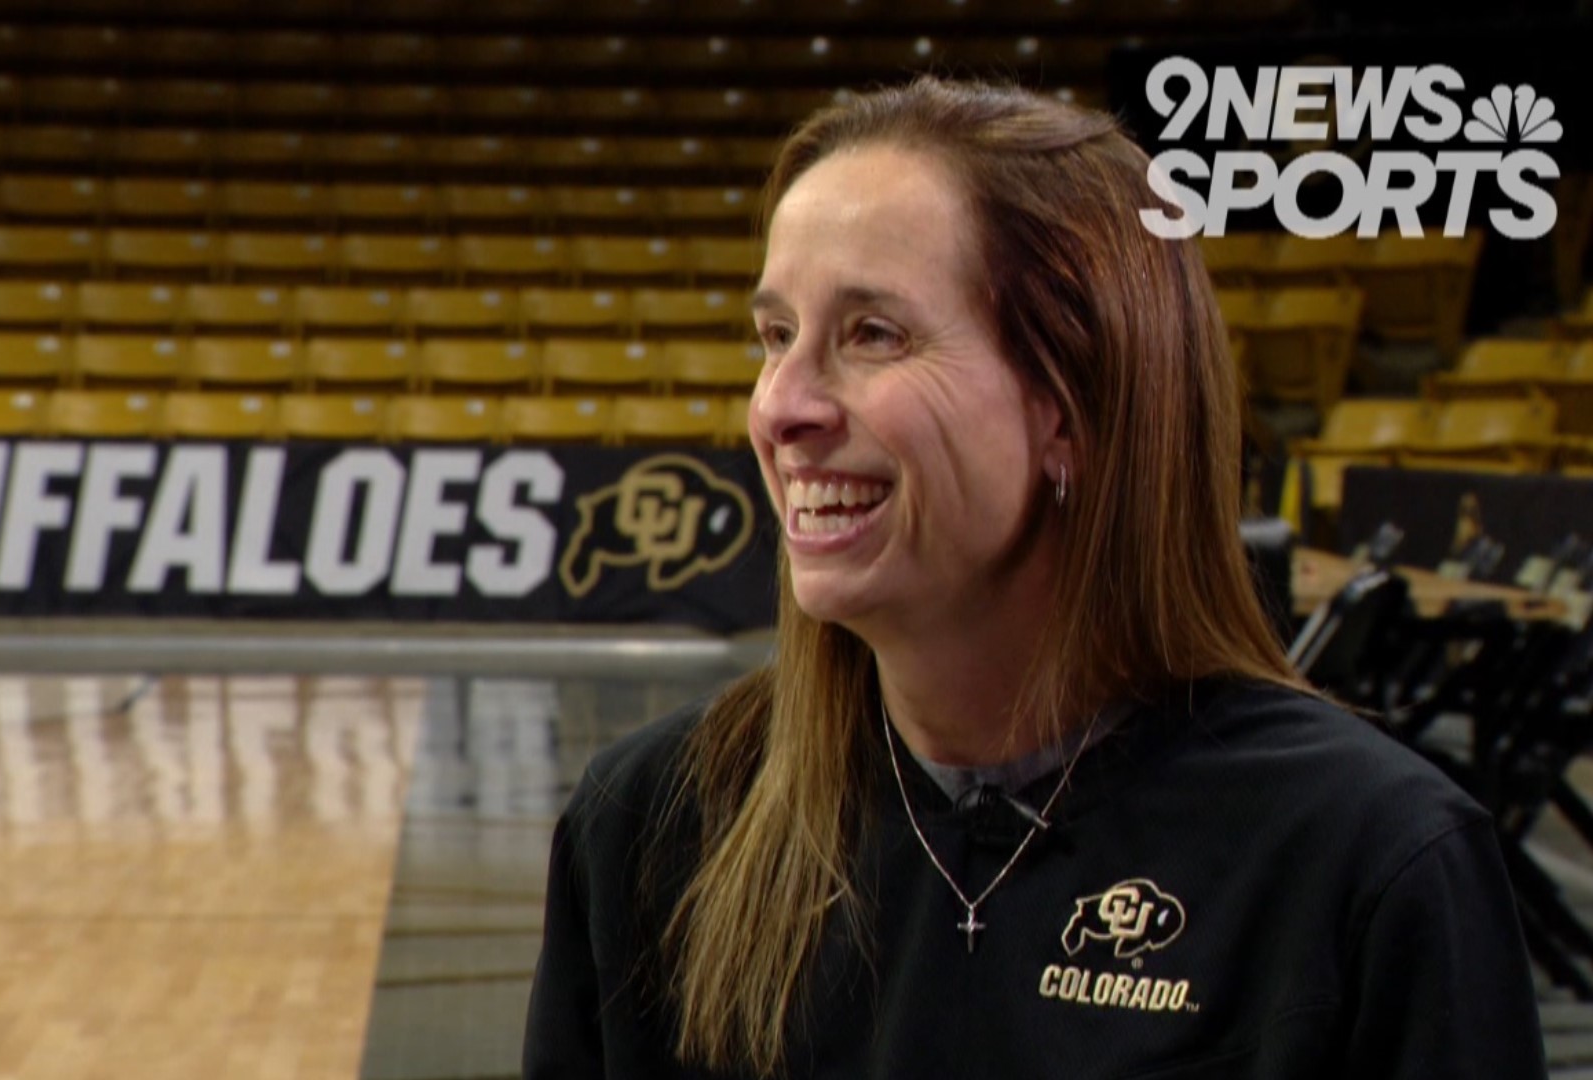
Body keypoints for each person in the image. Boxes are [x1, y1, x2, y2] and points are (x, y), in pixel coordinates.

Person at [523, 76, 1547, 1079]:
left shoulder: (1369, 862)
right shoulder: (650, 826)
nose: (780, 407)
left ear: (1070, 406)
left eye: (873, 334)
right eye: (775, 337)